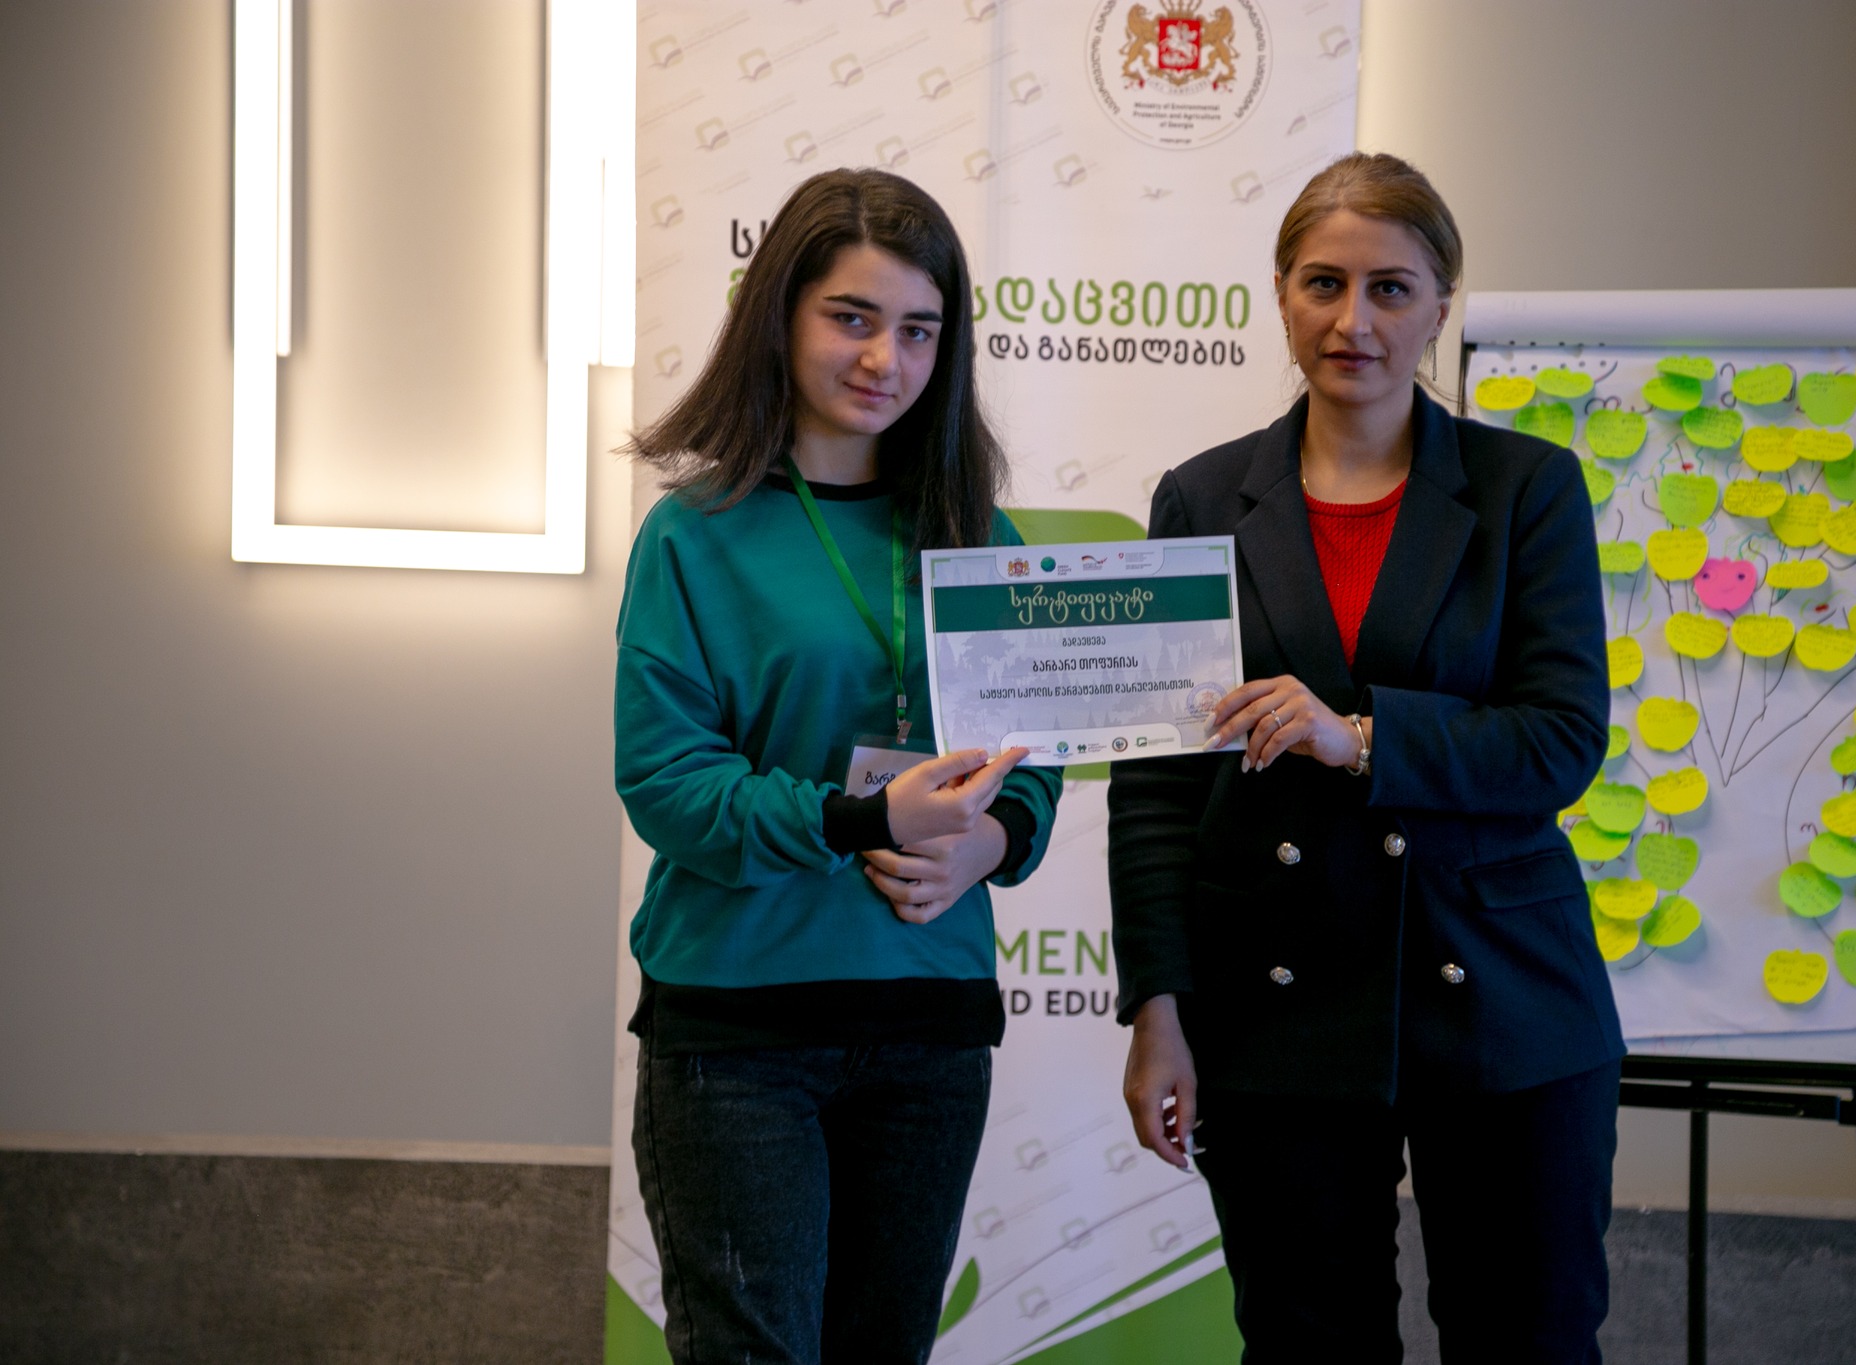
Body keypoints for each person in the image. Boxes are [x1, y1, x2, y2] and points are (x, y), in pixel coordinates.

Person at [1108, 152, 1623, 1363]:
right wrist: (1156, 1009)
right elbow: (1156, 788)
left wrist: (1361, 739)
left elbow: (1559, 742)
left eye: (1389, 288)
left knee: (1529, 1343)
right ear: (1280, 294)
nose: (1353, 321)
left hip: (1501, 998)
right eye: (1322, 283)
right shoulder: (1196, 500)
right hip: (1272, 1008)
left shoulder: (1527, 490)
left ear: (1439, 304)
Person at [615, 167, 1062, 1365]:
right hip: (739, 1039)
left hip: (928, 1026)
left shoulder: (978, 536)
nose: (884, 359)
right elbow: (666, 784)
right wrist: (859, 819)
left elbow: (1032, 758)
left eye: (918, 329)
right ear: (780, 315)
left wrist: (991, 841)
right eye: (851, 318)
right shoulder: (694, 535)